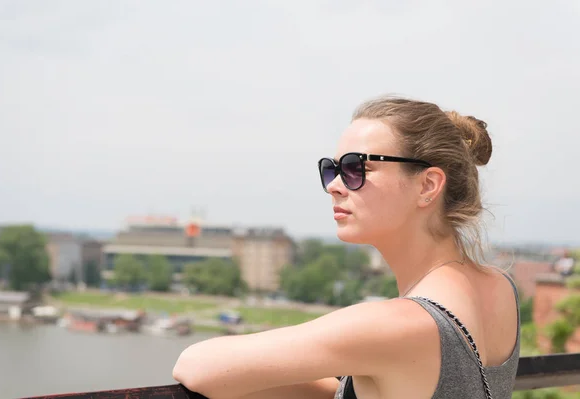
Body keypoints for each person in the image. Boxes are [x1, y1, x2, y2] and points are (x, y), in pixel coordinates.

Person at [172, 96, 520, 399]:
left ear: (427, 185)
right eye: (332, 169)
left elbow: (196, 366)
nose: (335, 186)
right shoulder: (500, 289)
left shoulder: (396, 325)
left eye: (357, 168)